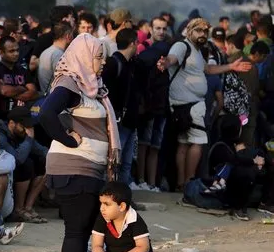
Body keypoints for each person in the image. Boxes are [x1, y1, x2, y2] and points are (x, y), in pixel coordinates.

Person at [39, 33, 122, 252]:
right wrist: (67, 139)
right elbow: (45, 114)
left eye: (103, 57)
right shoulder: (69, 83)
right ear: (84, 57)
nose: (103, 62)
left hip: (90, 170)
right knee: (77, 231)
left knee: (86, 230)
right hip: (73, 169)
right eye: (98, 57)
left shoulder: (94, 86)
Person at [157, 18, 252, 191]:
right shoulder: (182, 46)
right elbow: (171, 58)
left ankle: (182, 184)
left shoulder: (198, 51)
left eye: (205, 31)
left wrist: (231, 66)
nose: (202, 34)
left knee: (184, 143)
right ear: (189, 31)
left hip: (188, 104)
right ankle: (189, 181)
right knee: (199, 141)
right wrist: (165, 63)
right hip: (189, 104)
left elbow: (207, 70)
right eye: (198, 31)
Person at [135, 17, 170, 192]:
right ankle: (141, 179)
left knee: (155, 145)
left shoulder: (168, 50)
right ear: (150, 28)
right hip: (147, 104)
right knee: (144, 144)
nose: (161, 32)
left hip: (161, 104)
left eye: (164, 28)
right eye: (157, 28)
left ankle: (151, 183)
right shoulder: (143, 49)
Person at [101, 28, 139, 188]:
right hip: (117, 121)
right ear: (133, 43)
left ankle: (124, 196)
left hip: (129, 122)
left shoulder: (131, 64)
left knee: (126, 163)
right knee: (114, 160)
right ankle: (110, 194)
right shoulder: (113, 63)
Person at [0, 107, 49, 223]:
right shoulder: (1, 136)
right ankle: (18, 209)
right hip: (2, 173)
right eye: (24, 126)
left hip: (15, 171)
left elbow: (42, 151)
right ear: (12, 123)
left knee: (47, 163)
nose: (27, 130)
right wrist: (29, 139)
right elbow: (18, 160)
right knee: (26, 165)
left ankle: (28, 208)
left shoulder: (21, 134)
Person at [0, 36, 39, 123]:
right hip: (2, 119)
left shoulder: (23, 70)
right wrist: (22, 88)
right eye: (11, 51)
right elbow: (4, 91)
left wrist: (11, 92)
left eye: (17, 50)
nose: (16, 53)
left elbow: (33, 93)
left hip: (23, 118)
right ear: (1, 52)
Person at [38, 22, 74, 95]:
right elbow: (66, 81)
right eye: (72, 35)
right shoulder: (59, 55)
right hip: (54, 97)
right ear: (68, 36)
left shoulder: (45, 52)